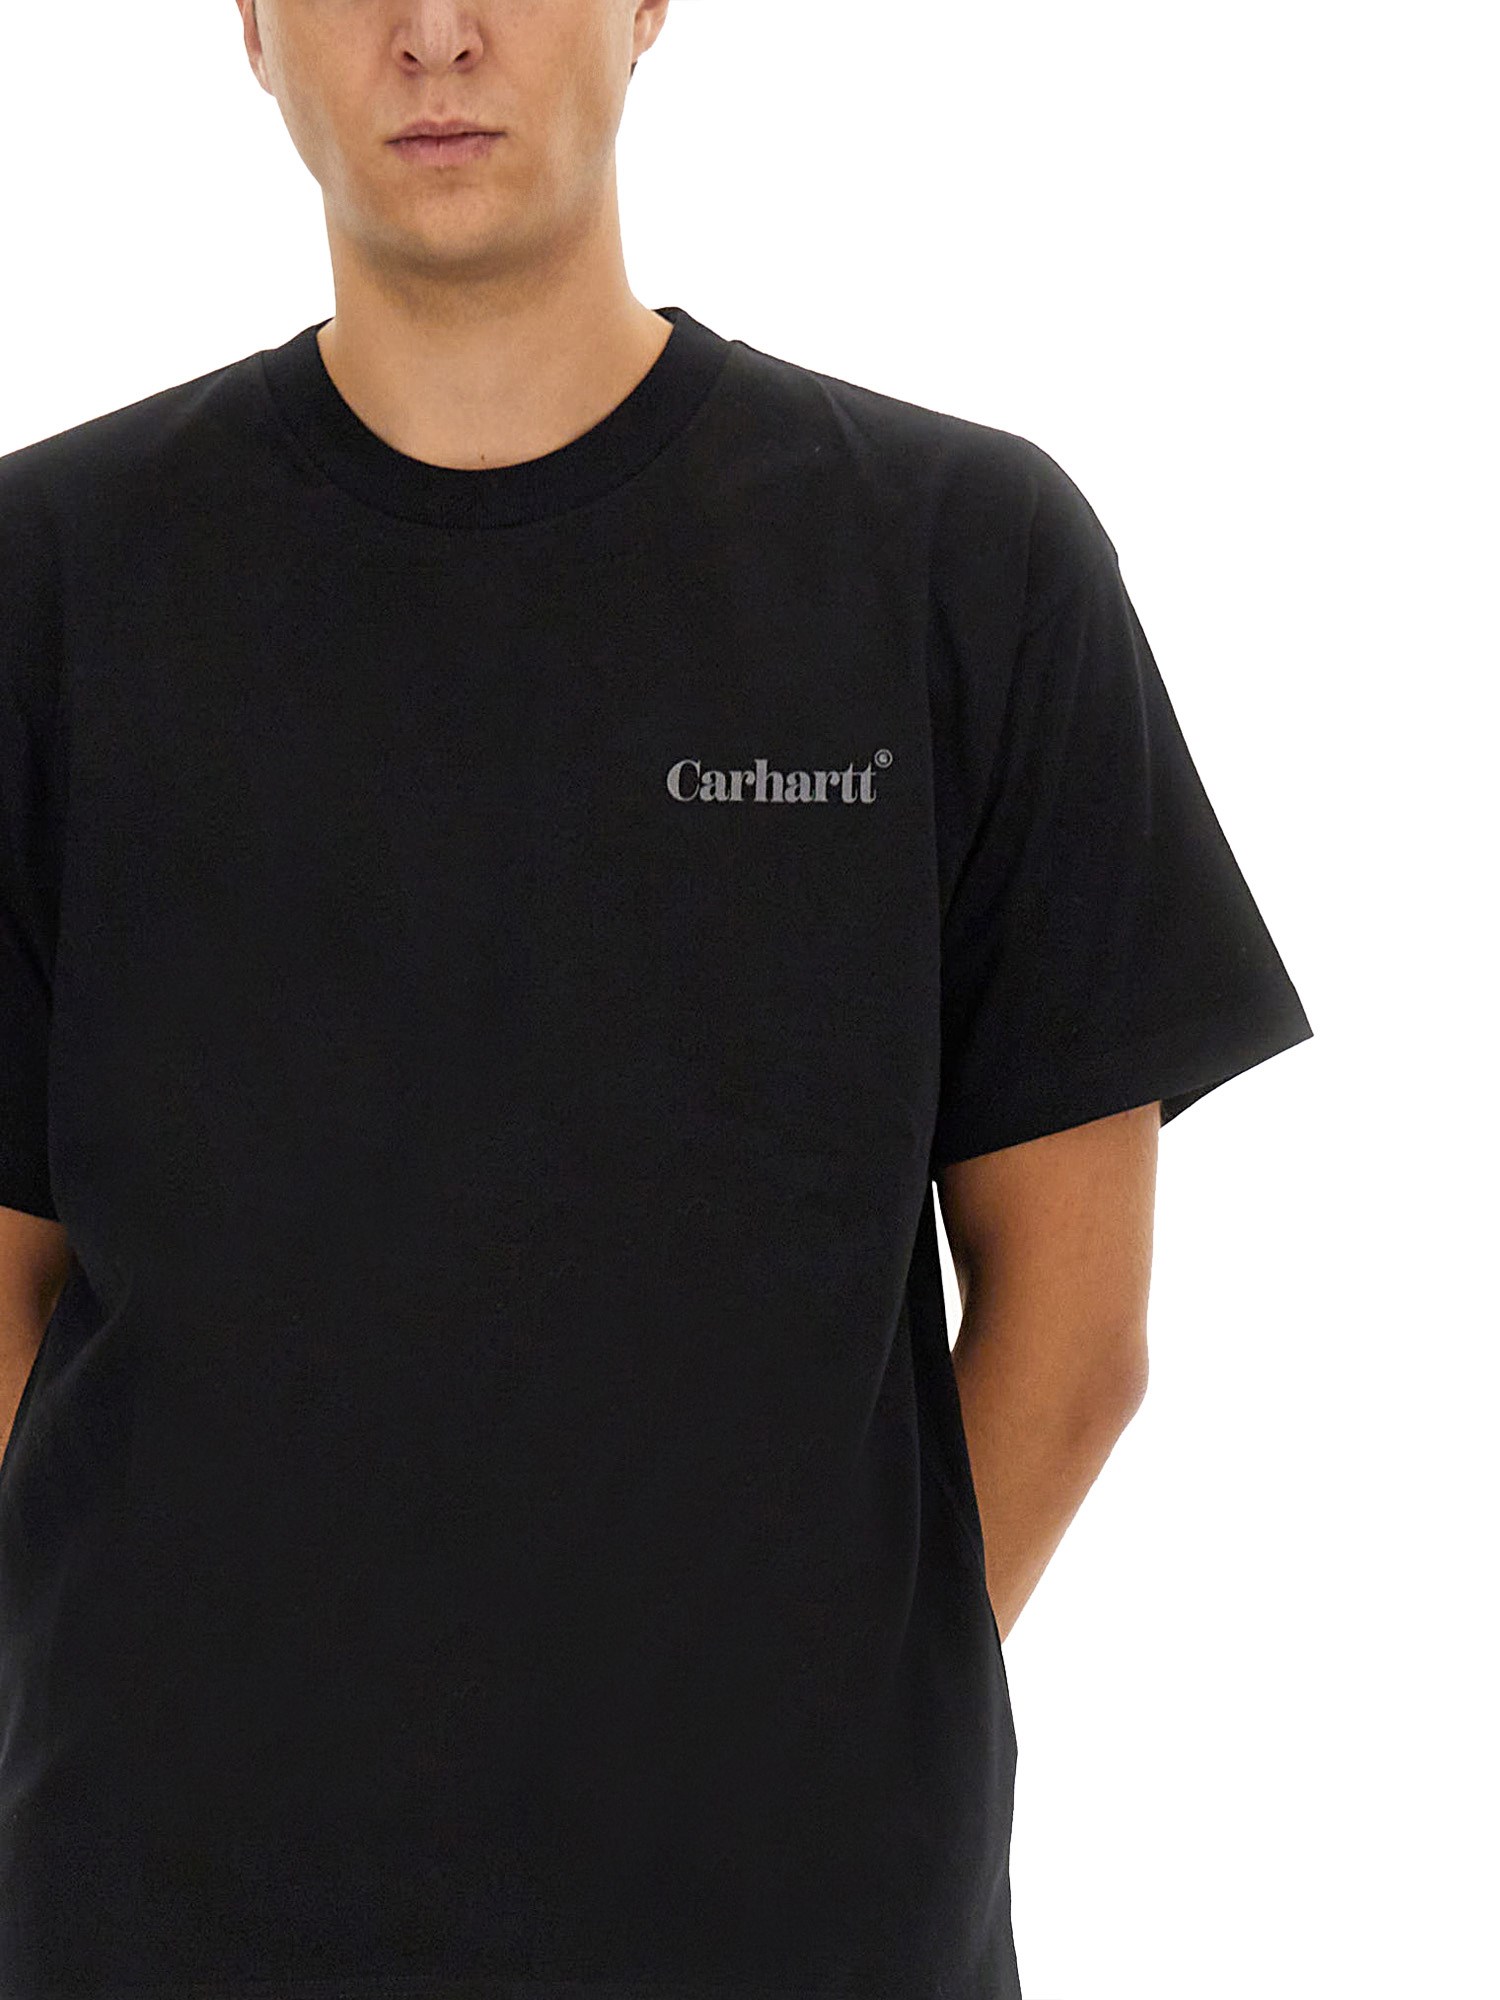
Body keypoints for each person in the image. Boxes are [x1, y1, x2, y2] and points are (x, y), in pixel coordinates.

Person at [0, 2, 1314, 1996]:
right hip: (163, 1926)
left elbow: (1076, 1332)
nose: (435, 34)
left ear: (646, 6)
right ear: (251, 25)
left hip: (798, 1933)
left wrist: (796, 1742)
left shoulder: (960, 560)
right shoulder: (48, 589)